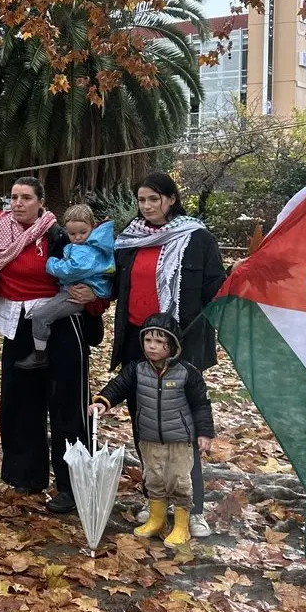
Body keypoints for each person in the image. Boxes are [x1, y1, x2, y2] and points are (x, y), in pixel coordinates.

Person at [0, 139, 105, 514]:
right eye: (14, 197)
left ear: (40, 203)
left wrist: (93, 299)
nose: (17, 203)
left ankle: (72, 484)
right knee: (20, 404)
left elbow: (95, 269)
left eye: (25, 198)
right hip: (16, 325)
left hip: (61, 322)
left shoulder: (56, 235)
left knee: (67, 405)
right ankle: (26, 476)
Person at [104, 171, 226, 538]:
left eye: (153, 199)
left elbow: (216, 290)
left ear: (171, 199)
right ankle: (154, 499)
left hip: (181, 348)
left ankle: (194, 507)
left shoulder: (197, 238)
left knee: (181, 429)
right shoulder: (131, 239)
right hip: (137, 345)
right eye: (141, 200)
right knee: (147, 426)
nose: (146, 207)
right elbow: (114, 285)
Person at [89, 312, 215, 547]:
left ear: (172, 345)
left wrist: (204, 433)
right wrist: (103, 401)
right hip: (149, 437)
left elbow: (201, 404)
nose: (152, 347)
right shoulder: (136, 369)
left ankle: (181, 525)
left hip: (179, 439)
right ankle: (157, 519)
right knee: (154, 479)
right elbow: (119, 386)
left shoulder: (187, 373)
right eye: (148, 341)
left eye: (159, 342)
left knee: (179, 481)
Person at [26, 204, 115, 356]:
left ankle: (39, 353)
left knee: (42, 315)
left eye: (83, 232)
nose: (78, 237)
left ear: (92, 227)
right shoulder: (92, 244)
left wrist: (51, 263)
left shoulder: (88, 249)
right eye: (72, 233)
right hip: (80, 292)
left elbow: (73, 270)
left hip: (77, 294)